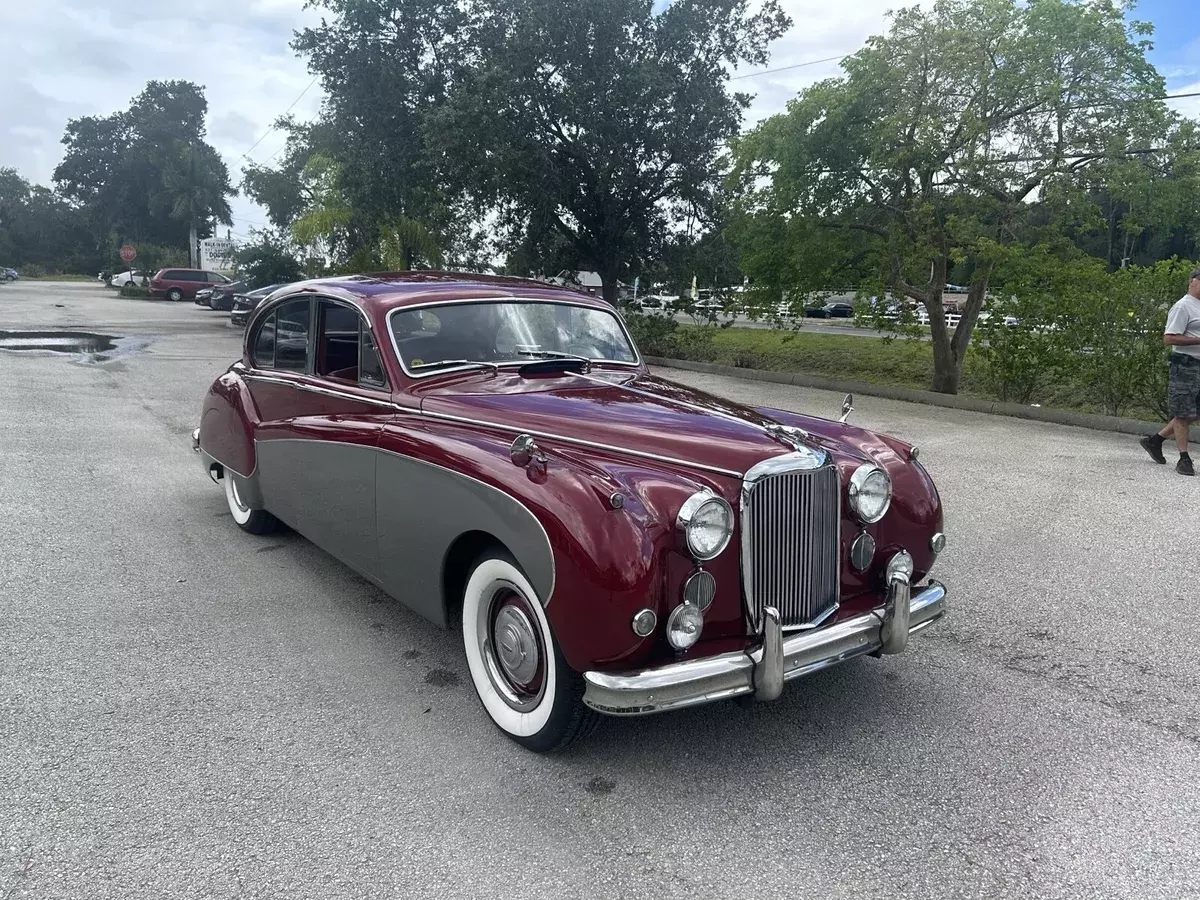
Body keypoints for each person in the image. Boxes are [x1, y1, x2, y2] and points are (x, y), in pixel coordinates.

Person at [1140, 267, 1200, 476]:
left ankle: (1155, 441)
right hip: (1184, 364)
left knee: (1194, 413)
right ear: (1191, 281)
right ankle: (1184, 460)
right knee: (1183, 413)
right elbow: (1169, 338)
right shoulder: (1183, 307)